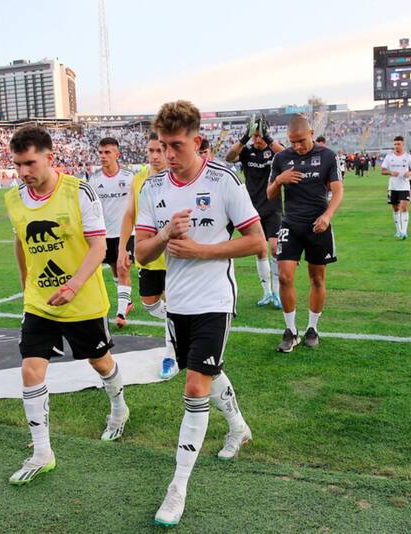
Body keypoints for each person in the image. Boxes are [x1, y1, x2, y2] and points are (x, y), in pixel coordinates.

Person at [135, 100, 264, 527]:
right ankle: (238, 427)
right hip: (178, 304)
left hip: (214, 300)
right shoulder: (153, 189)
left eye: (176, 145)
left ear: (197, 140)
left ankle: (177, 488)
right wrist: (168, 231)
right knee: (208, 372)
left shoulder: (224, 179)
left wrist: (201, 250)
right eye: (162, 146)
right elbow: (141, 252)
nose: (168, 155)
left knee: (194, 387)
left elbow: (256, 241)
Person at [4, 126, 130, 486]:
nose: (24, 172)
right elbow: (20, 242)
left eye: (30, 163)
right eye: (18, 165)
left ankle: (119, 407)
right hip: (40, 302)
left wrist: (74, 286)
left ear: (49, 157)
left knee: (100, 362)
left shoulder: (79, 192)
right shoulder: (14, 198)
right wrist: (25, 284)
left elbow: (98, 248)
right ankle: (43, 451)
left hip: (83, 301)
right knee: (30, 369)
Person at [266, 114, 343, 352]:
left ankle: (312, 327)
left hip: (318, 226)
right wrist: (279, 180)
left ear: (311, 133)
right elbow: (270, 195)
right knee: (285, 276)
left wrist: (327, 216)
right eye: (292, 142)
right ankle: (291, 331)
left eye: (301, 140)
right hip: (291, 224)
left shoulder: (327, 156)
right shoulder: (281, 158)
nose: (297, 146)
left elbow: (338, 191)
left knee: (317, 278)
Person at [118, 132, 178, 380]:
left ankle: (171, 356)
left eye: (159, 150)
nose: (154, 155)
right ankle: (184, 320)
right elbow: (130, 214)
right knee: (150, 303)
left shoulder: (177, 176)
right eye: (150, 150)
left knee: (173, 301)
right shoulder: (139, 179)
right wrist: (123, 247)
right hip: (149, 252)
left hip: (176, 253)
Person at [224, 114, 285, 308]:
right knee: (259, 249)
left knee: (275, 248)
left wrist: (267, 138)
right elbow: (229, 157)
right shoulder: (247, 151)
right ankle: (266, 293)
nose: (256, 139)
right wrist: (244, 138)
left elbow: (286, 156)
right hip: (251, 208)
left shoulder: (274, 151)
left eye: (260, 136)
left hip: (273, 207)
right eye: (254, 136)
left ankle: (277, 293)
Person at [87, 138, 136, 328]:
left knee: (123, 267)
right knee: (115, 269)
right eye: (100, 152)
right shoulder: (95, 180)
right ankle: (127, 301)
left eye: (107, 152)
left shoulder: (129, 177)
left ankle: (121, 313)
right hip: (104, 235)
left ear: (117, 154)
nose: (103, 156)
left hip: (127, 233)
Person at [381, 136, 411, 239]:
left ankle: (404, 232)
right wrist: (391, 172)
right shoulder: (389, 157)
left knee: (404, 207)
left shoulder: (409, 157)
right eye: (395, 144)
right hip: (393, 187)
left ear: (403, 144)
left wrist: (410, 172)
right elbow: (383, 171)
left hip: (404, 186)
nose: (396, 146)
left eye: (398, 144)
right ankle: (398, 231)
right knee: (396, 208)